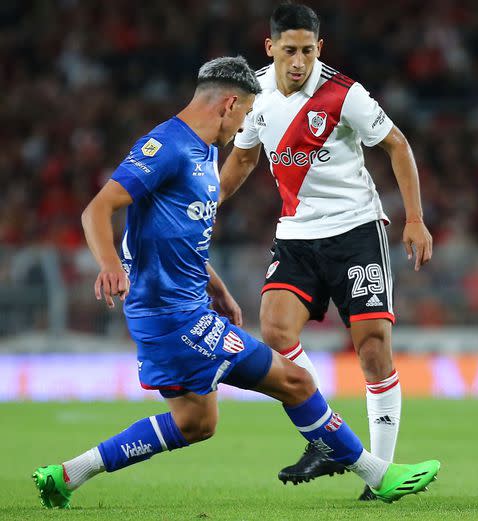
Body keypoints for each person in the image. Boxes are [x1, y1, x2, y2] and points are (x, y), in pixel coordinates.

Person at [31, 56, 439, 510]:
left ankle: (67, 474)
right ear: (229, 103)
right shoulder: (166, 147)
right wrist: (109, 264)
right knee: (296, 382)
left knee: (195, 423)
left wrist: (216, 286)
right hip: (172, 316)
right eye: (245, 113)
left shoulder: (205, 153)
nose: (245, 124)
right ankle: (378, 474)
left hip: (184, 309)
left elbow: (176, 235)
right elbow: (98, 208)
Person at [218, 4, 433, 500]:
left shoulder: (344, 94)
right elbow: (244, 158)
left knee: (373, 348)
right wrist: (207, 205)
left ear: (321, 48)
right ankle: (328, 437)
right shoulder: (257, 93)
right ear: (270, 48)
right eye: (289, 50)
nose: (299, 61)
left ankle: (379, 474)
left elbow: (397, 145)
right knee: (274, 330)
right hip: (297, 234)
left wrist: (415, 220)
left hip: (356, 229)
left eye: (308, 51)